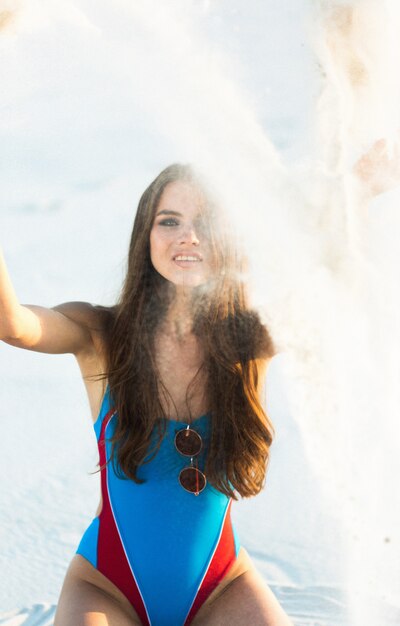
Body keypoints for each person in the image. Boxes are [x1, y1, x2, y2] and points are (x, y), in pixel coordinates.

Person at [0, 163, 294, 626]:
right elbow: (14, 325)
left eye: (207, 223)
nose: (189, 237)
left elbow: (325, 298)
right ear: (146, 236)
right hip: (106, 588)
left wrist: (356, 195)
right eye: (170, 220)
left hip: (222, 588)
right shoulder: (101, 334)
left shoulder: (248, 341)